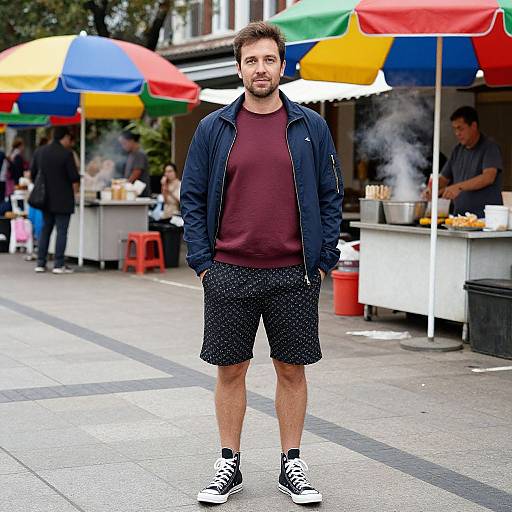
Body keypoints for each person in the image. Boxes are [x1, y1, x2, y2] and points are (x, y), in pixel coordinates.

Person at [181, 21, 343, 506]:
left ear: (282, 65)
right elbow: (192, 198)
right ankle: (228, 464)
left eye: (268, 59)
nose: (260, 68)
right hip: (228, 270)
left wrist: (322, 261)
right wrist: (203, 263)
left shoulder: (311, 127)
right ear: (239, 68)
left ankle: (291, 463)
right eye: (251, 60)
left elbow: (329, 195)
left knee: (292, 370)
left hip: (294, 274)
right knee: (230, 370)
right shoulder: (214, 128)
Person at [426, 106, 503, 217]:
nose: (457, 133)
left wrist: (458, 187)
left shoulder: (490, 147)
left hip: (485, 219)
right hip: (460, 217)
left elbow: (488, 177)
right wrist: (431, 188)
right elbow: (444, 178)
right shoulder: (457, 150)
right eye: (455, 129)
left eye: (460, 128)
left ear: (474, 126)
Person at [33, 126, 80, 274]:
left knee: (46, 230)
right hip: (63, 199)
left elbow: (33, 172)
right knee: (61, 231)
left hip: (45, 198)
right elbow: (74, 177)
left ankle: (40, 262)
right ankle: (58, 264)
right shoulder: (66, 154)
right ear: (65, 137)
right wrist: (76, 192)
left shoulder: (40, 152)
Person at [118, 131, 150, 197]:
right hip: (132, 194)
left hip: (140, 193)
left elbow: (137, 172)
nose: (123, 146)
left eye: (124, 143)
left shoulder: (139, 154)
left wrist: (125, 185)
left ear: (131, 141)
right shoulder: (131, 154)